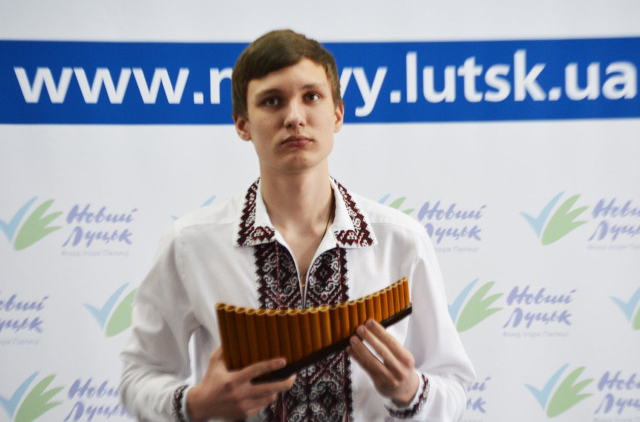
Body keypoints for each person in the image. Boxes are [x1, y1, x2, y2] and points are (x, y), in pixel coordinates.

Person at [120, 29, 475, 421]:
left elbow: (453, 386)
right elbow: (138, 376)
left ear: (337, 114)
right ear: (242, 124)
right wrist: (196, 403)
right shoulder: (191, 244)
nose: (294, 117)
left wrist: (409, 391)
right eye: (272, 101)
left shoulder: (400, 240)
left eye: (311, 97)